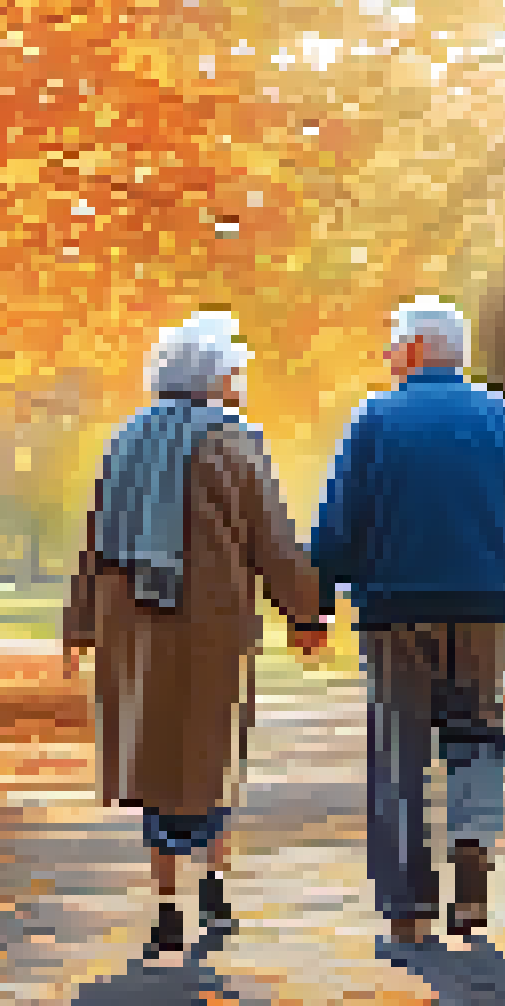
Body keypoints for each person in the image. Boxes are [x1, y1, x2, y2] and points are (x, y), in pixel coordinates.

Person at [62, 311, 331, 958]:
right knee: (212, 754)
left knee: (154, 760)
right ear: (212, 376)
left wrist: (78, 625)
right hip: (210, 624)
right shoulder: (233, 440)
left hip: (132, 626)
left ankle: (164, 904)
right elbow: (270, 536)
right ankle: (213, 881)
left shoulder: (126, 439)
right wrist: (304, 614)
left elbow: (95, 537)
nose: (239, 379)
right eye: (233, 368)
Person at [310, 296, 505, 950]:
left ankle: (407, 904)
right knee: (478, 736)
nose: (389, 356)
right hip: (484, 608)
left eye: (395, 345)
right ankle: (472, 852)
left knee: (400, 752)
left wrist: (312, 605)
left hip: (394, 611)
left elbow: (338, 524)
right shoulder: (502, 420)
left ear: (418, 348)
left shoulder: (374, 418)